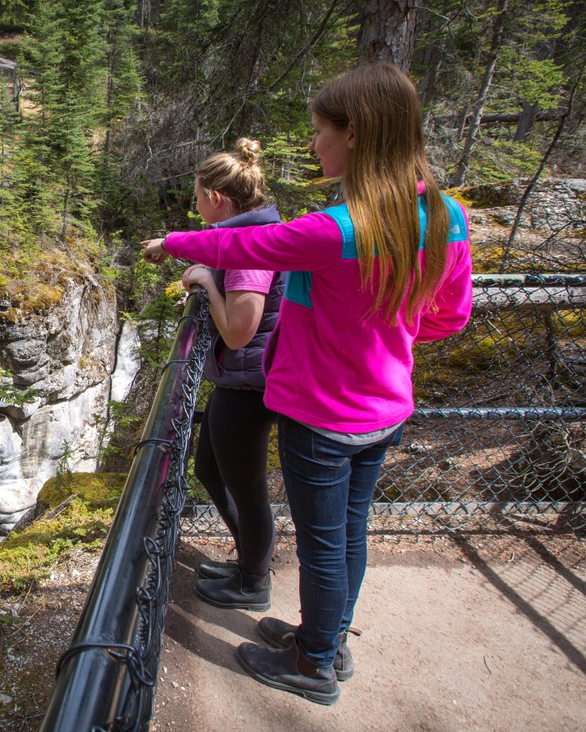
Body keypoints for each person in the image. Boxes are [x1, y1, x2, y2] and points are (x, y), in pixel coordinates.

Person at [142, 62, 473, 706]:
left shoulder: (338, 230)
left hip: (319, 410)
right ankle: (326, 637)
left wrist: (174, 244)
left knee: (323, 544)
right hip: (383, 406)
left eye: (321, 131)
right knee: (349, 533)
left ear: (354, 135)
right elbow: (449, 317)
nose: (313, 144)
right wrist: (385, 334)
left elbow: (251, 246)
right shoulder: (448, 216)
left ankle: (314, 662)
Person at [178, 138, 283, 613]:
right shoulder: (243, 238)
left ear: (216, 198)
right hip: (240, 379)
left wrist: (204, 282)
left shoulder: (248, 247)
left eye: (197, 197)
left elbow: (240, 330)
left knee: (246, 486)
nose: (195, 206)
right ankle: (250, 562)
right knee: (209, 469)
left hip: (250, 382)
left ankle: (253, 580)